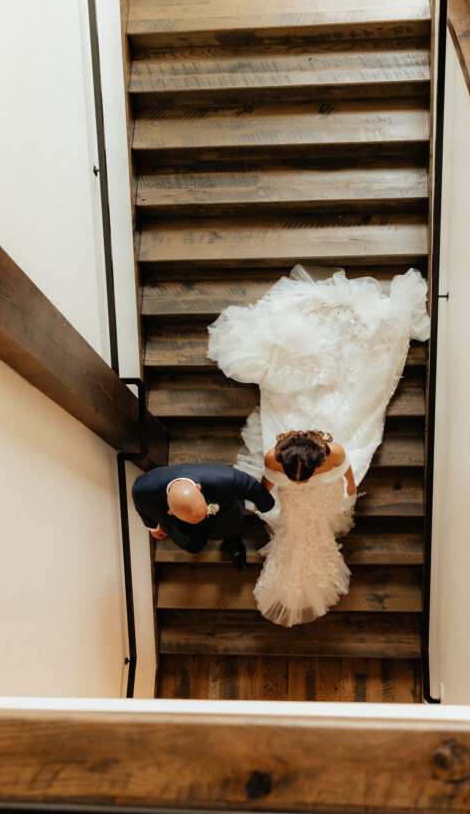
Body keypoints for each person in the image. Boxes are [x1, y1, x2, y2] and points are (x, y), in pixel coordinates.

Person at [207, 264, 429, 625]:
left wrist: (340, 490)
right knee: (303, 527)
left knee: (354, 400)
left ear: (315, 458)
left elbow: (343, 473)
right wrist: (277, 492)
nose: (295, 480)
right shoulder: (279, 456)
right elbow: (275, 479)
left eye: (299, 474)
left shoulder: (335, 452)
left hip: (306, 505)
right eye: (291, 475)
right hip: (313, 504)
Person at [131, 462, 275, 571]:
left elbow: (253, 488)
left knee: (230, 527)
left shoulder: (228, 478)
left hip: (222, 511)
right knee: (193, 545)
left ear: (198, 488)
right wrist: (153, 527)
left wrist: (263, 504)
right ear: (170, 512)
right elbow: (140, 506)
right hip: (182, 525)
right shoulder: (143, 490)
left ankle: (233, 544)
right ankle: (194, 540)